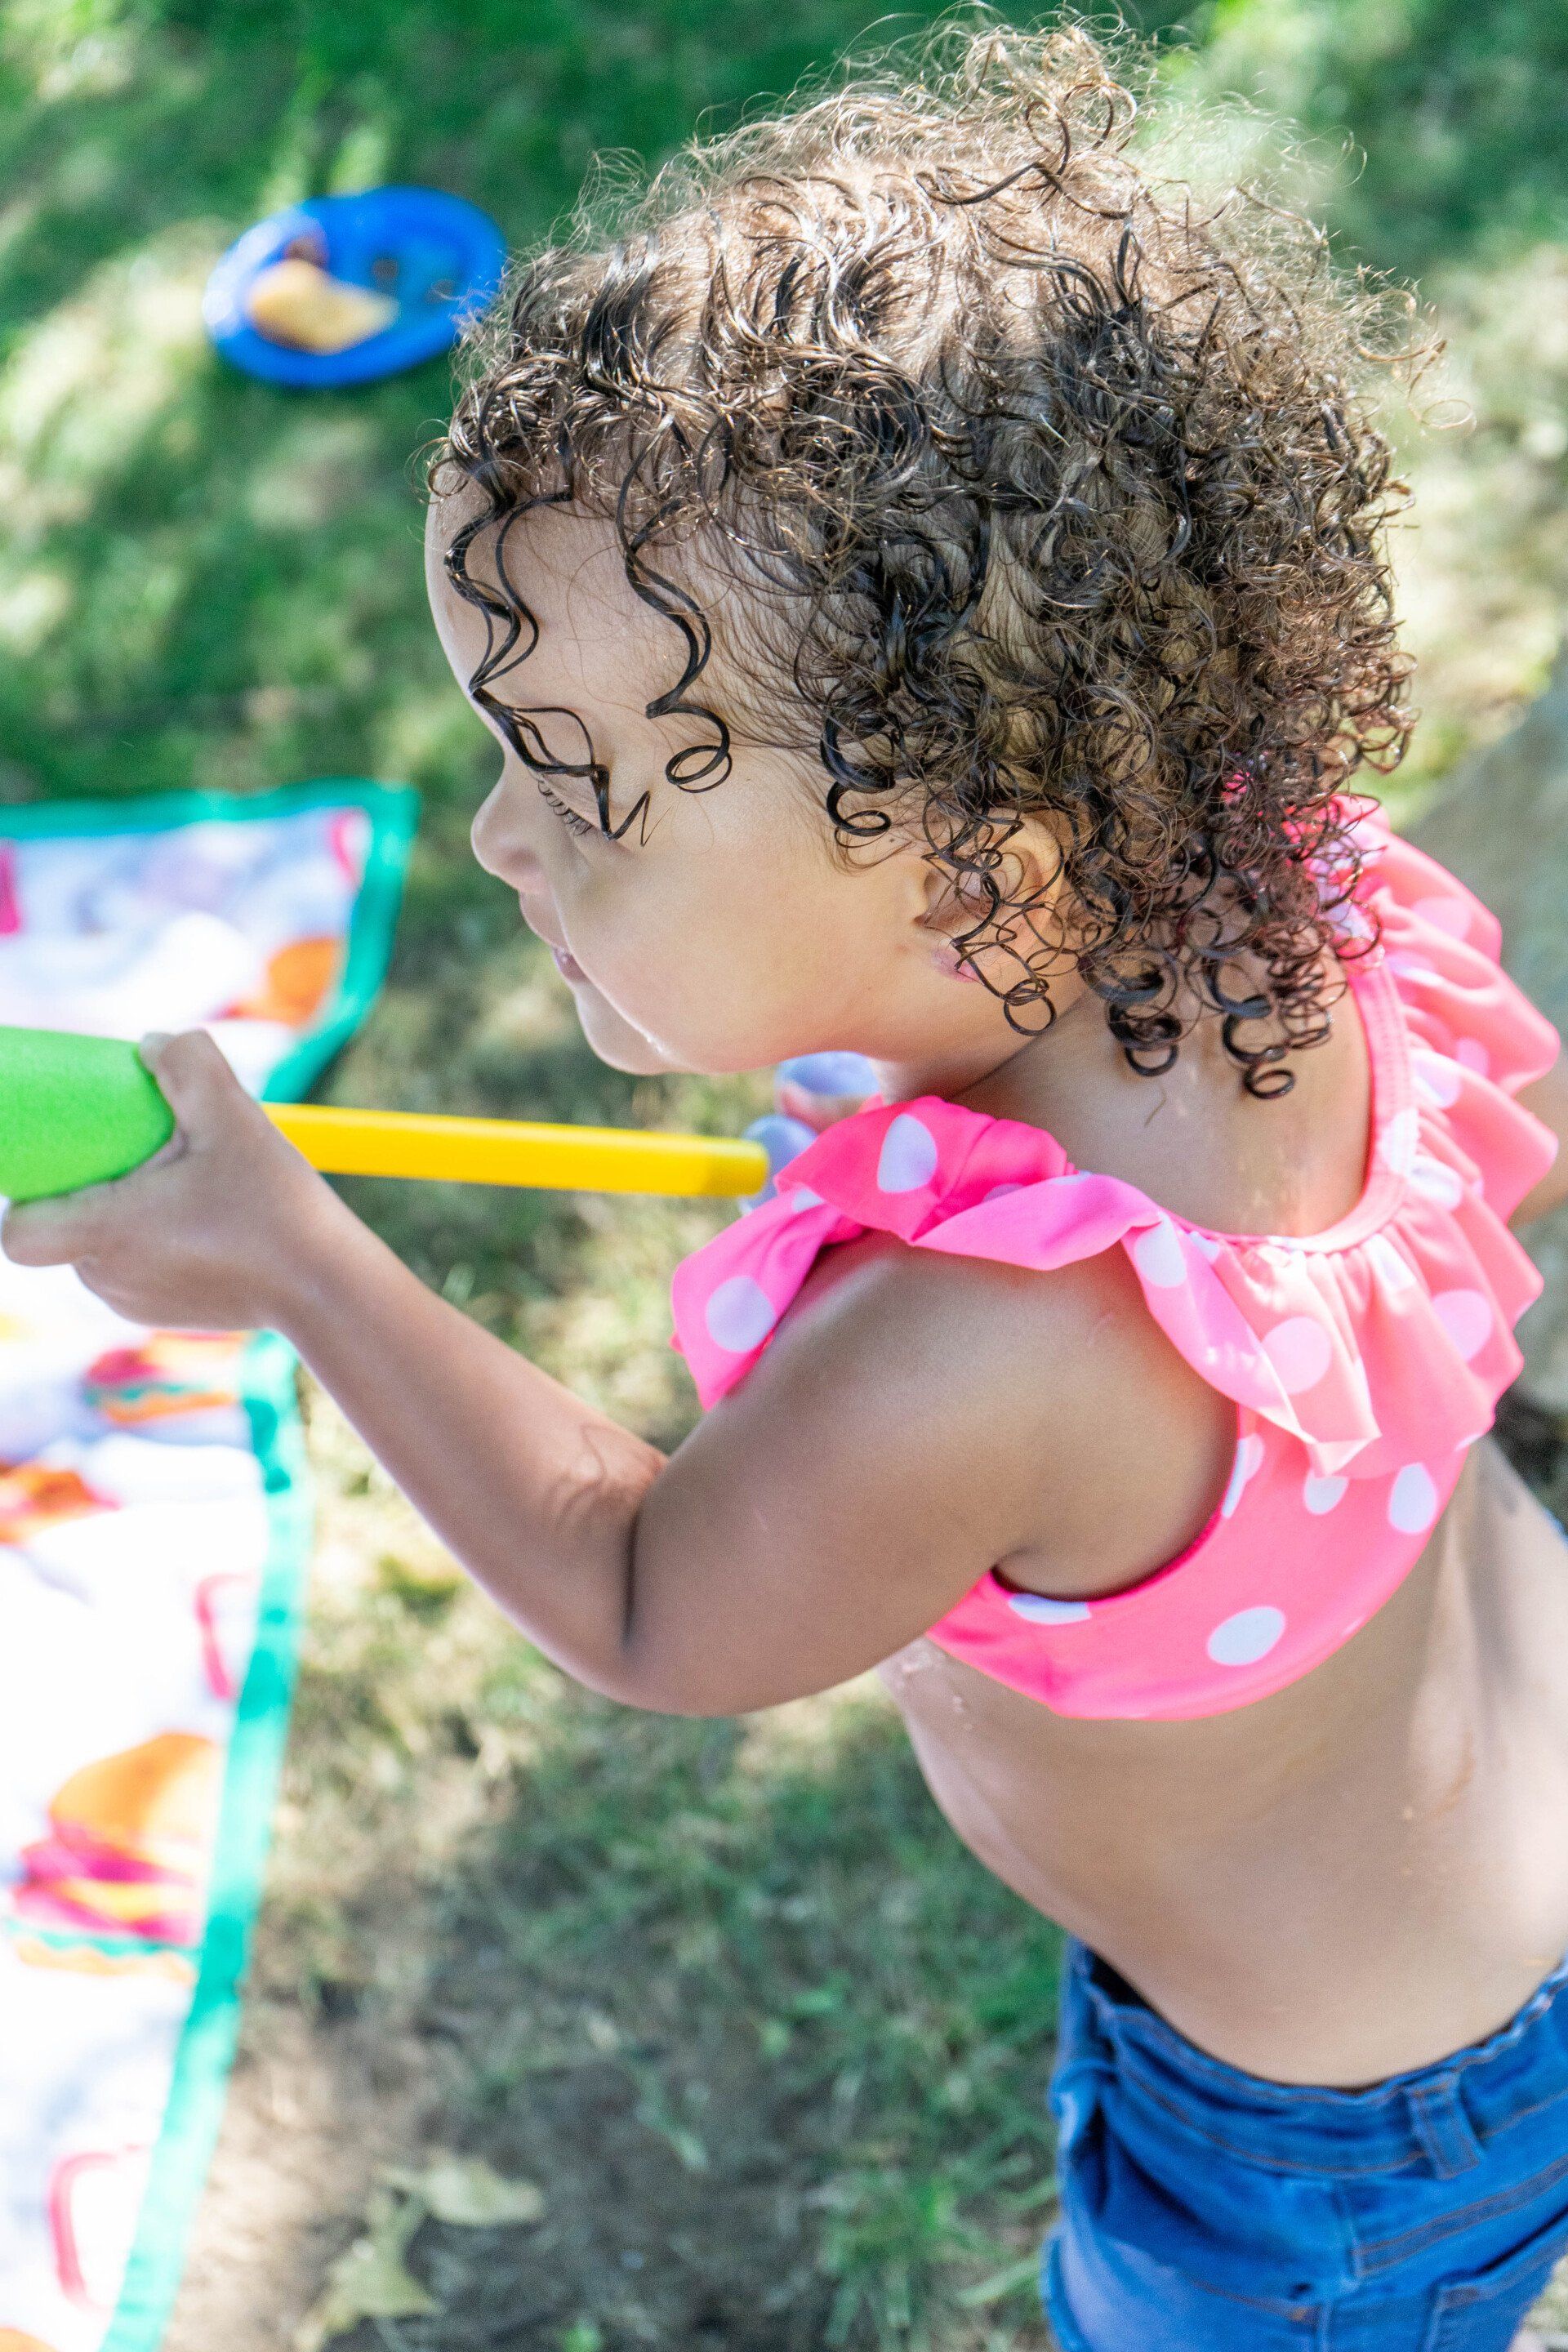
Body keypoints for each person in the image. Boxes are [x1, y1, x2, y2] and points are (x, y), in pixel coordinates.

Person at [11, 25, 1568, 2347]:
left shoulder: (983, 1353)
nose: (506, 839)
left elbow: (651, 1607)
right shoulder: (1284, 902)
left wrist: (288, 1253)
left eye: (585, 782)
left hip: (1340, 2135)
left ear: (981, 869)